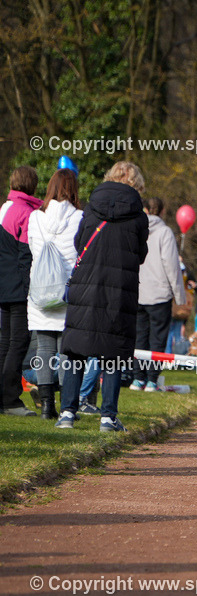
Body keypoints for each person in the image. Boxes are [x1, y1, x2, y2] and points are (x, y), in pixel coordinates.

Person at [57, 161, 150, 431]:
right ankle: (108, 416)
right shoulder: (138, 215)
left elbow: (79, 242)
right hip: (120, 288)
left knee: (75, 349)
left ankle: (67, 413)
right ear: (136, 184)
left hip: (86, 283)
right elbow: (141, 254)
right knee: (114, 352)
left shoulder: (91, 206)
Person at [27, 169, 82, 418]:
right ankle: (67, 405)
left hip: (40, 289)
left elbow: (32, 248)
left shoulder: (35, 218)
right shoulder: (80, 217)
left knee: (44, 348)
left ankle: (47, 405)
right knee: (66, 351)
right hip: (67, 290)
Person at [132, 197, 186, 391]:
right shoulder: (164, 232)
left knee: (140, 337)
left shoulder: (136, 229)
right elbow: (172, 266)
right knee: (157, 339)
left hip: (138, 291)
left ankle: (138, 378)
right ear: (162, 211)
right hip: (159, 294)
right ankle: (152, 379)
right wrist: (180, 296)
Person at [0, 166, 43, 416]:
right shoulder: (27, 213)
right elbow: (25, 255)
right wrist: (31, 291)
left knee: (5, 342)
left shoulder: (5, 207)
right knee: (19, 342)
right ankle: (11, 399)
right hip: (18, 288)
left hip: (3, 285)